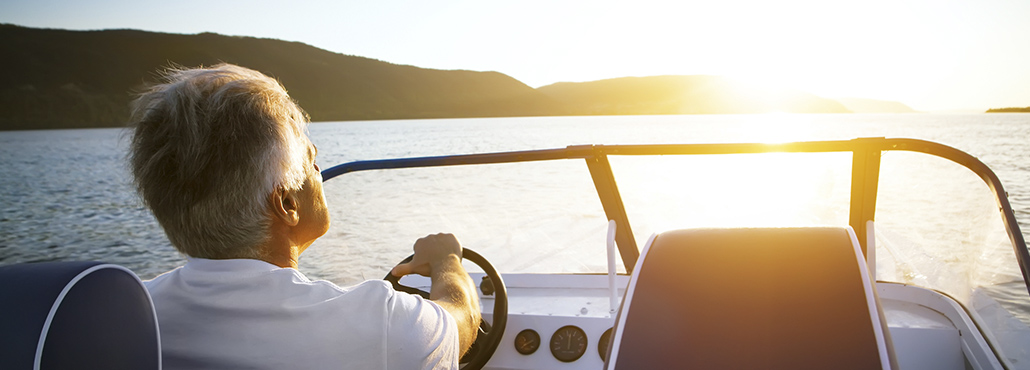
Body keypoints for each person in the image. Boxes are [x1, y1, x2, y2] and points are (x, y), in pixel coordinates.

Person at [129, 63, 480, 370]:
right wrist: (447, 262)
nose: (319, 170)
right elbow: (461, 324)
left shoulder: (127, 312)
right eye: (311, 160)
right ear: (287, 205)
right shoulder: (381, 324)